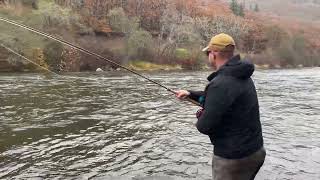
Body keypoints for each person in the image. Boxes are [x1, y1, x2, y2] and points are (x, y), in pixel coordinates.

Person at [175, 33, 266, 180]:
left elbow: (204, 126)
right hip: (256, 151)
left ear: (214, 53)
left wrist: (202, 115)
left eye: (208, 53)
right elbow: (220, 99)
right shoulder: (242, 75)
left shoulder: (221, 83)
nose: (208, 56)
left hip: (233, 159)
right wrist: (189, 93)